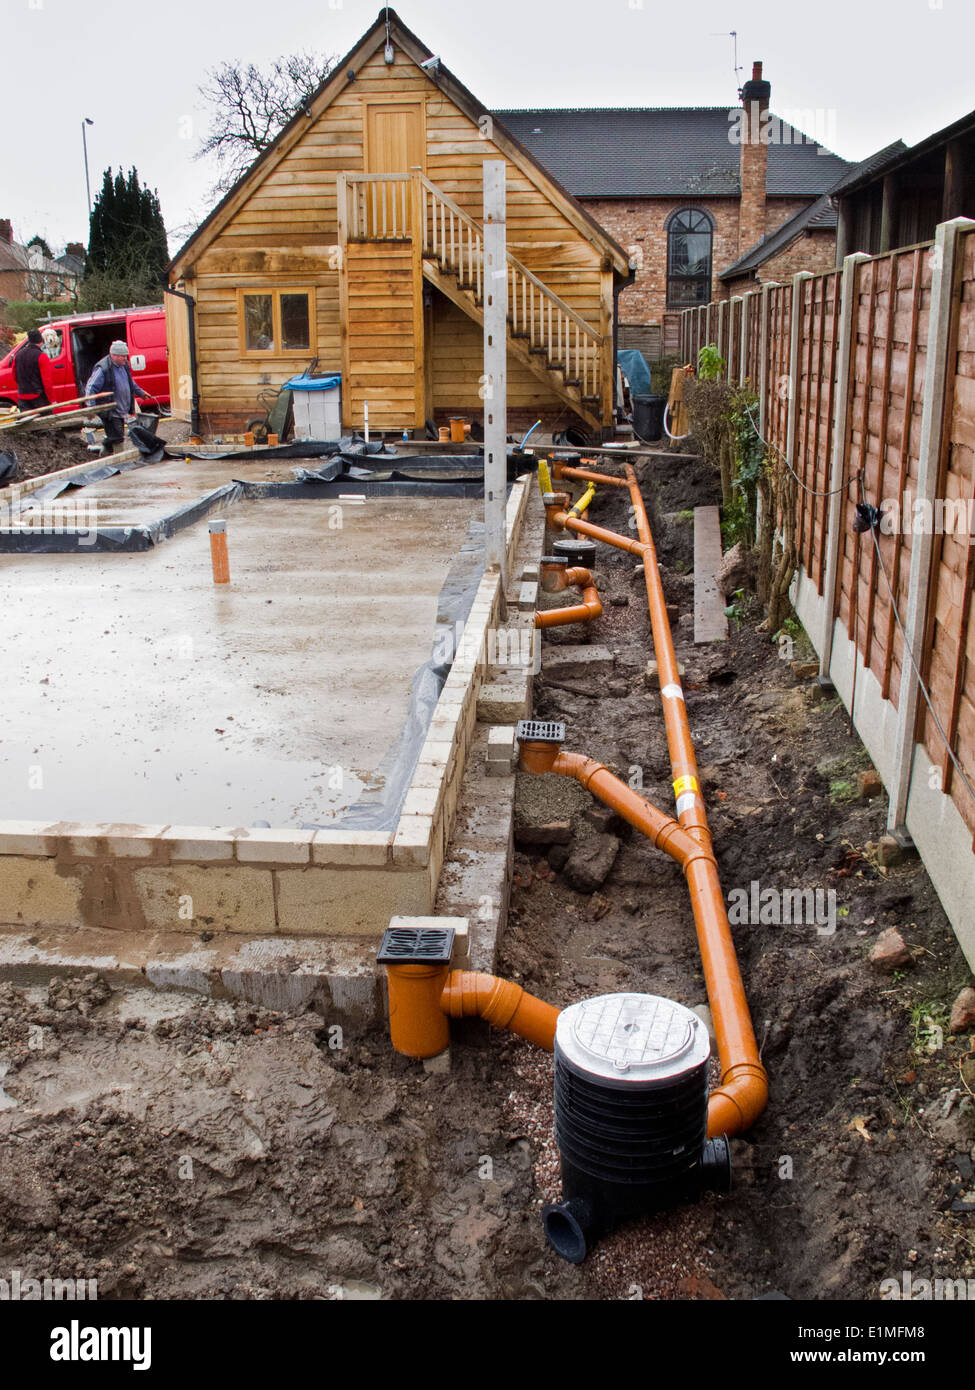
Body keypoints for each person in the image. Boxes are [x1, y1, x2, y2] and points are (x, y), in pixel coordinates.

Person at [84, 339, 149, 456]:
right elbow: (90, 387)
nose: (125, 358)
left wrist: (140, 392)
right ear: (113, 355)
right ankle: (120, 460)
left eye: (126, 356)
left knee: (114, 436)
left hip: (121, 409)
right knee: (118, 437)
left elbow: (130, 382)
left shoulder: (124, 365)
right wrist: (91, 407)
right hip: (110, 410)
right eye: (122, 356)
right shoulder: (103, 369)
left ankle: (105, 451)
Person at [14, 328, 54, 412]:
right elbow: (47, 381)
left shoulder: (18, 355)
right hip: (38, 397)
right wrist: (52, 400)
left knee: (27, 423)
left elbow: (14, 375)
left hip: (22, 396)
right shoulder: (42, 356)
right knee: (47, 422)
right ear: (41, 340)